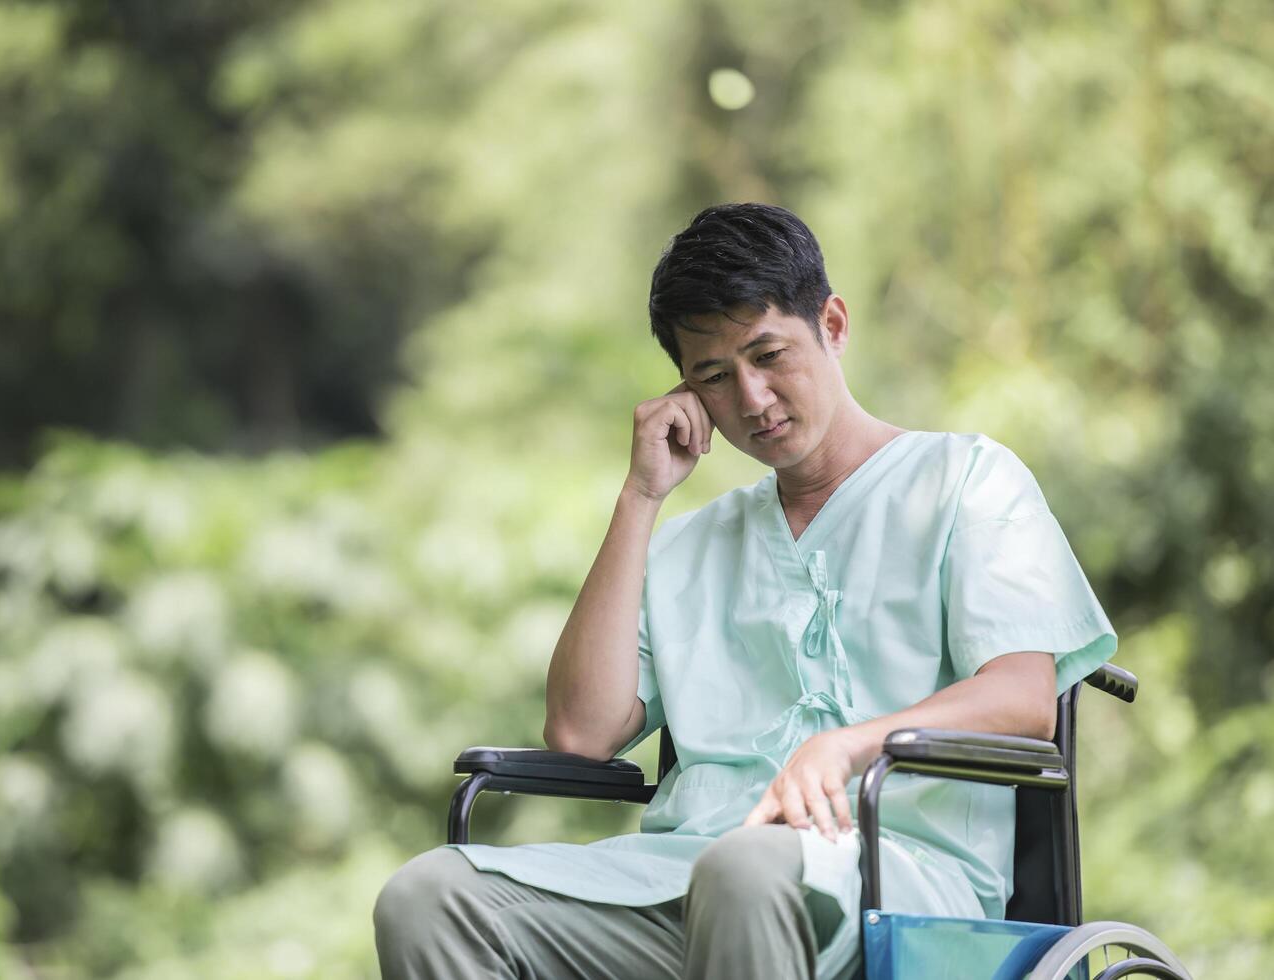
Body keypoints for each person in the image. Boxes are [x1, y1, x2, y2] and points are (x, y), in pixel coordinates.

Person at [373, 203, 1116, 979]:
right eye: (714, 377)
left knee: (744, 870)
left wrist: (846, 745)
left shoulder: (965, 480)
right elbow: (581, 733)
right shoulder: (691, 547)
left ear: (831, 323)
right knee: (427, 895)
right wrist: (640, 497)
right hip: (684, 876)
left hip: (898, 885)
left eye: (769, 355)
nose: (752, 399)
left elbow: (1023, 698)